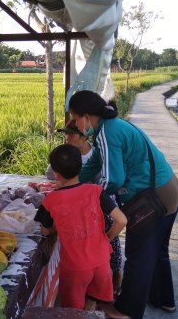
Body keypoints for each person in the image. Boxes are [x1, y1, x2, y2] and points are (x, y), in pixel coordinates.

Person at [68, 90, 178, 319]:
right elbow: (94, 164)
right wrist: (73, 181)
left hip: (152, 199)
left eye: (75, 118)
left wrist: (85, 194)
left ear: (86, 116)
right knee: (157, 251)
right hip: (169, 189)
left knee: (139, 256)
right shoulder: (112, 126)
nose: (76, 126)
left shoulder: (107, 133)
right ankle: (164, 300)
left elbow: (113, 179)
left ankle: (126, 311)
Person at [34, 144, 127, 318]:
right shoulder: (96, 191)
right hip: (101, 263)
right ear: (80, 167)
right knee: (92, 302)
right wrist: (107, 238)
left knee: (73, 312)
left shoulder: (51, 200)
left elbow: (45, 231)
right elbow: (122, 220)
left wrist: (57, 226)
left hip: (75, 269)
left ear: (56, 174)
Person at [46, 119, 124, 298]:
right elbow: (51, 174)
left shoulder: (98, 154)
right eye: (65, 135)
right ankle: (88, 281)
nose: (67, 139)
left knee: (109, 238)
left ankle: (116, 273)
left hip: (99, 204)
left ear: (84, 137)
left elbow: (108, 181)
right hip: (76, 205)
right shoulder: (67, 155)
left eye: (71, 135)